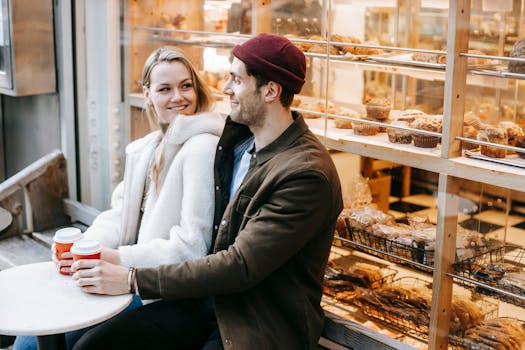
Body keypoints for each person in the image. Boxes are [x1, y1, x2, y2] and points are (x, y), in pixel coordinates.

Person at [71, 33, 343, 350]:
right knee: (94, 346)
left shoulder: (306, 174)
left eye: (237, 80)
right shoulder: (240, 142)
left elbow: (239, 265)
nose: (225, 89)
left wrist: (133, 278)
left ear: (270, 90)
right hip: (207, 302)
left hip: (257, 320)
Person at [13, 46, 224, 350]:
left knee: (33, 346)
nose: (178, 97)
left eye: (186, 85)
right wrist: (85, 247)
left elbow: (192, 247)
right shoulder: (148, 147)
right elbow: (118, 213)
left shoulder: (201, 147)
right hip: (120, 274)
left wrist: (118, 261)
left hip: (155, 290)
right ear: (148, 94)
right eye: (165, 88)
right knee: (28, 340)